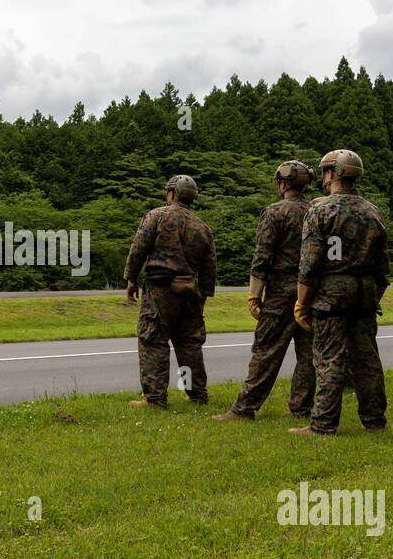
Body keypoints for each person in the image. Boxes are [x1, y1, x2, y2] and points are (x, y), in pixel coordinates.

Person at [289, 150, 389, 435]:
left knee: (329, 358)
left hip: (331, 294)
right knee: (367, 359)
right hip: (365, 293)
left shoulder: (320, 210)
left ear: (333, 173)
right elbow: (383, 267)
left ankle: (323, 424)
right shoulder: (372, 211)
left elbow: (309, 264)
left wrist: (302, 302)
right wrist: (372, 295)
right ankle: (374, 421)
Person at [212, 161, 315, 423]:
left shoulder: (274, 213)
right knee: (308, 353)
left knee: (266, 350)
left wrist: (253, 294)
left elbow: (262, 257)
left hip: (281, 291)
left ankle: (244, 408)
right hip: (312, 289)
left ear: (283, 183)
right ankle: (301, 407)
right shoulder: (318, 210)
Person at [123, 174, 218, 409]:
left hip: (160, 290)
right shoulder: (202, 227)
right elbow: (209, 267)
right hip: (191, 292)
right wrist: (203, 296)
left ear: (172, 193)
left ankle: (155, 399)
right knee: (188, 344)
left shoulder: (157, 216)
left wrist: (131, 279)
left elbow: (138, 249)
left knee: (153, 341)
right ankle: (196, 395)